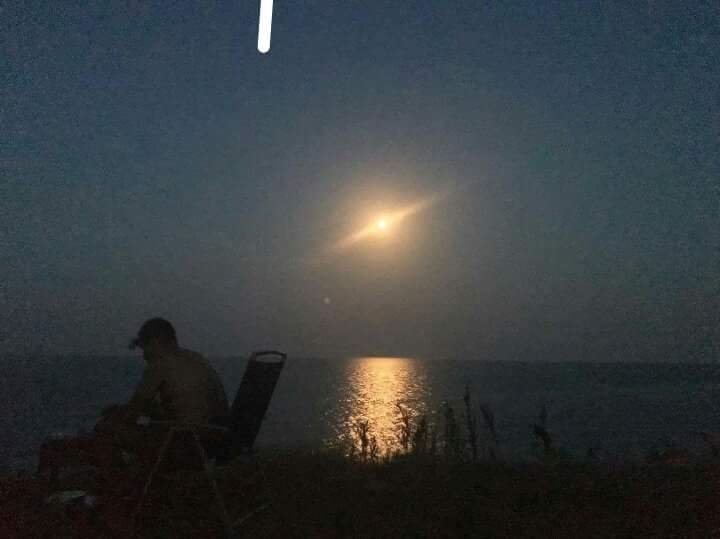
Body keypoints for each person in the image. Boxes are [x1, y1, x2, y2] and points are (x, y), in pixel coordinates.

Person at [38, 318, 230, 479]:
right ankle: (133, 481)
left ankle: (117, 489)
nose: (144, 355)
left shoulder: (160, 365)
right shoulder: (197, 359)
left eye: (145, 347)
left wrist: (117, 412)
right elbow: (190, 408)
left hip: (185, 446)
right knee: (131, 430)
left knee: (106, 428)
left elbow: (132, 414)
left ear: (156, 341)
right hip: (214, 442)